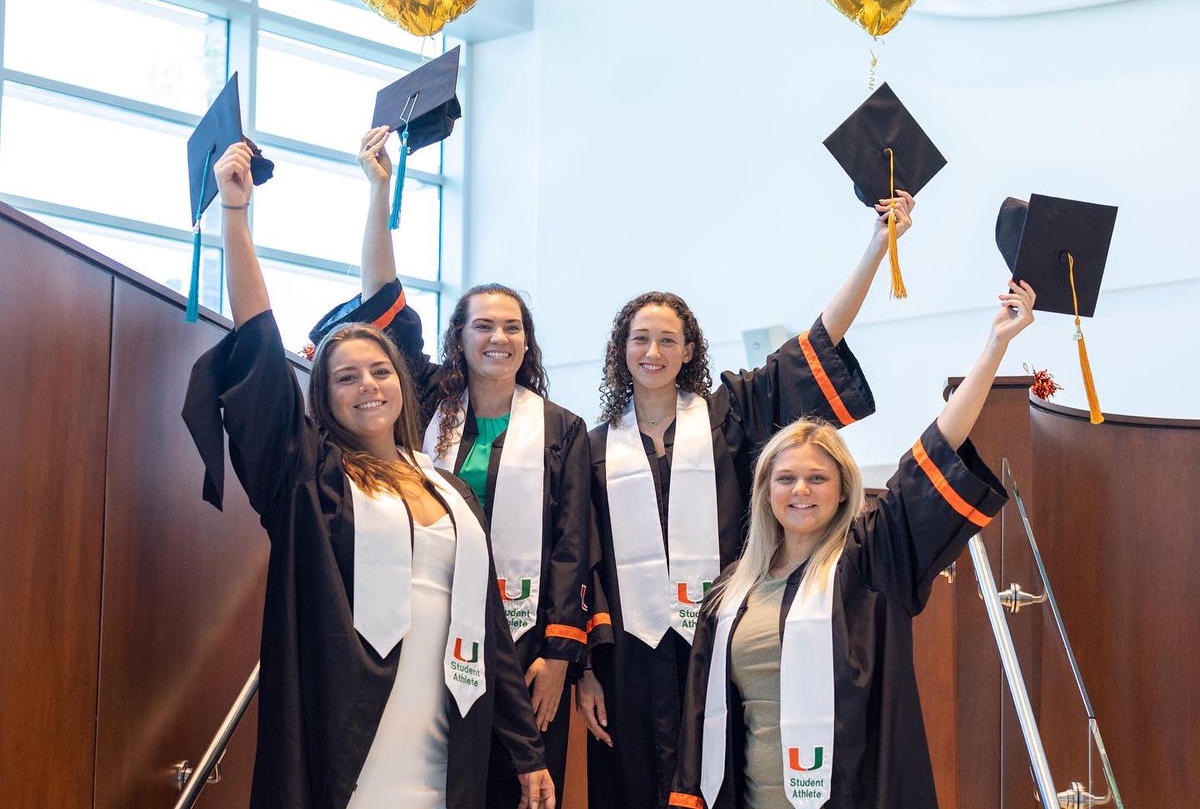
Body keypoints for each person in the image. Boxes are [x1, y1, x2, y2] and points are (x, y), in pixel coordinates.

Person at [182, 141, 555, 809]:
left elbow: (491, 631)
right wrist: (236, 218)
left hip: (448, 741)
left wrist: (526, 752)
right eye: (346, 377)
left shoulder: (449, 489)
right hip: (349, 745)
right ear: (323, 398)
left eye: (381, 371)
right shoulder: (311, 478)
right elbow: (260, 353)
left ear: (403, 385)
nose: (369, 385)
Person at [578, 194, 916, 809]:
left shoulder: (729, 414)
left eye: (668, 340)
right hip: (628, 662)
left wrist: (875, 247)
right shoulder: (592, 447)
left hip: (718, 643)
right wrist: (586, 670)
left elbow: (815, 346)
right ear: (621, 350)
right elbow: (587, 562)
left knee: (718, 778)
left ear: (689, 351)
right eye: (640, 339)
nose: (653, 352)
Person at [308, 126, 591, 808]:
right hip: (424, 629)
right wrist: (379, 195)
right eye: (483, 326)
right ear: (457, 338)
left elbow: (571, 548)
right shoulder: (427, 402)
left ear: (528, 342)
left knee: (523, 786)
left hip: (524, 644)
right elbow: (383, 302)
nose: (499, 337)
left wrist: (558, 656)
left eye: (513, 327)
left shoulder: (562, 429)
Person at [670, 280, 1035, 809]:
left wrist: (995, 345)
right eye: (786, 478)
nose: (800, 490)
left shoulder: (868, 561)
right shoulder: (730, 594)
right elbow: (705, 725)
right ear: (765, 491)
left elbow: (936, 449)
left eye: (817, 478)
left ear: (843, 489)